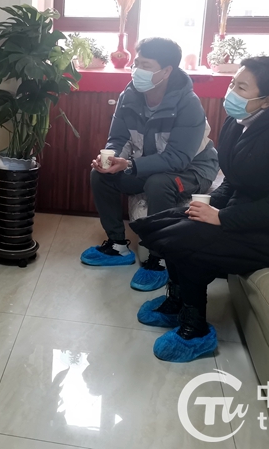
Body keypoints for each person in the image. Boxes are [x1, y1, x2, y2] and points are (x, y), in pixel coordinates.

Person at [132, 56, 269, 362]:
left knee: (187, 240)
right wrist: (207, 205)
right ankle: (178, 301)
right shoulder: (239, 123)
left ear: (267, 100)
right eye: (233, 82)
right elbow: (233, 180)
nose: (231, 91)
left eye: (242, 87)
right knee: (166, 224)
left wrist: (221, 217)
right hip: (248, 216)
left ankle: (195, 329)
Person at [82, 37, 219, 293]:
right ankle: (117, 246)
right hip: (147, 163)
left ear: (166, 71)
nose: (137, 70)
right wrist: (111, 160)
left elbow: (178, 158)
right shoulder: (129, 95)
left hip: (193, 169)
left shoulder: (188, 104)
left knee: (158, 183)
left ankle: (159, 258)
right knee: (99, 175)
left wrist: (130, 165)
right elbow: (118, 138)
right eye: (136, 63)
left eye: (145, 65)